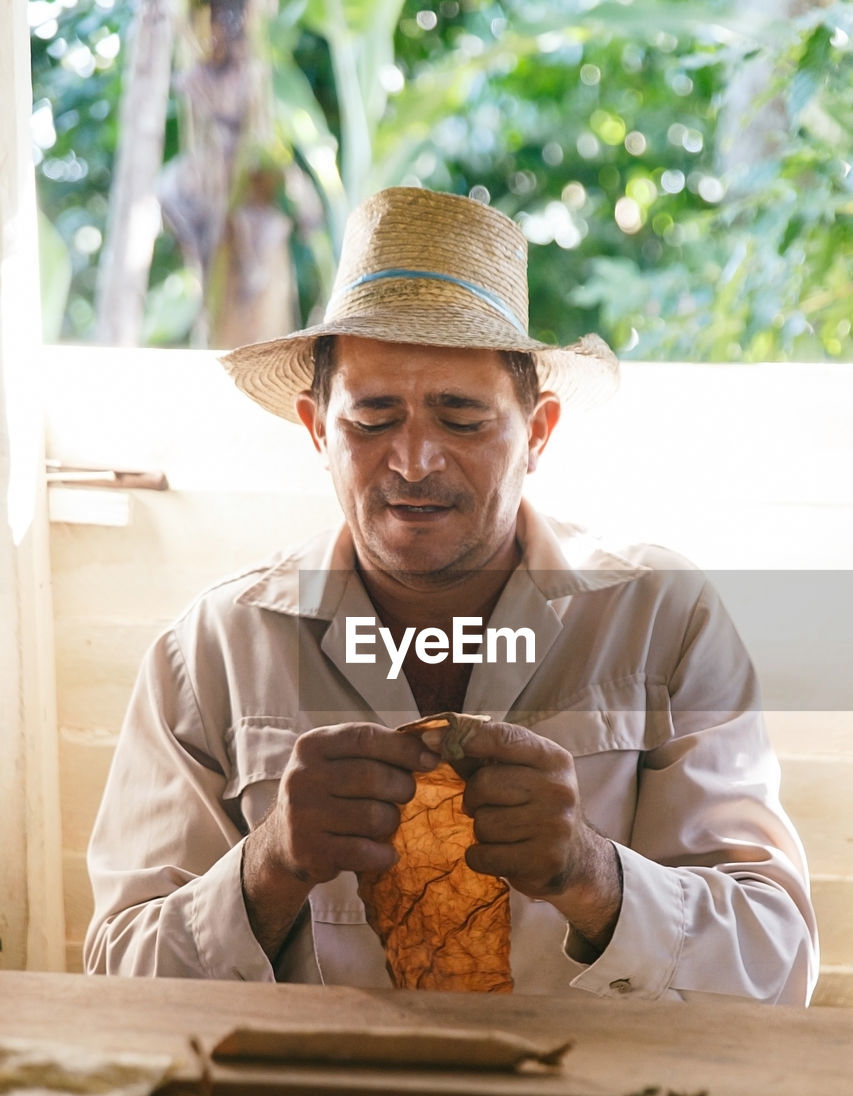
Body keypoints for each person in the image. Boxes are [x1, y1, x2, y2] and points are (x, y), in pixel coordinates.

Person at [84, 185, 818, 1002]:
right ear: (315, 429)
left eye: (460, 418)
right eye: (372, 418)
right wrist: (270, 865)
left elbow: (776, 962)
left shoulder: (663, 620)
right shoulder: (210, 652)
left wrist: (591, 875)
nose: (413, 461)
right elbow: (119, 977)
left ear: (536, 433)